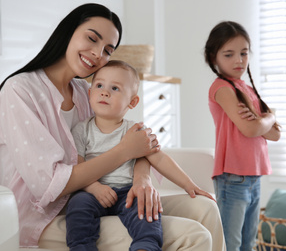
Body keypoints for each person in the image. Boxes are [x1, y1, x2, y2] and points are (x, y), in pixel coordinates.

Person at [0, 3, 225, 251]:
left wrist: (142, 179)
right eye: (91, 38)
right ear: (68, 31)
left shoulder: (86, 92)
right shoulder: (20, 90)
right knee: (194, 235)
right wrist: (125, 152)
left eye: (107, 50)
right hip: (45, 217)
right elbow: (50, 183)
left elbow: (133, 144)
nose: (97, 53)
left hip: (107, 197)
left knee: (205, 208)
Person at [67, 60, 215, 250]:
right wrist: (95, 188)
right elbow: (78, 168)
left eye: (115, 88)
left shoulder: (136, 130)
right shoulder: (81, 130)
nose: (105, 92)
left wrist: (189, 185)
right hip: (92, 192)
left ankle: (145, 245)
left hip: (127, 192)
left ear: (133, 101)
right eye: (99, 85)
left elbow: (160, 158)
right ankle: (81, 247)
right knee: (78, 206)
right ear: (90, 94)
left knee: (146, 207)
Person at [204, 21, 281, 251]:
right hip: (233, 177)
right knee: (232, 243)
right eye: (229, 54)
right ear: (213, 57)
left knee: (249, 242)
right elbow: (250, 130)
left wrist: (262, 122)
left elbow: (275, 135)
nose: (239, 60)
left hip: (253, 176)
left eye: (244, 53)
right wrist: (269, 117)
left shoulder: (245, 88)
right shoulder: (222, 88)